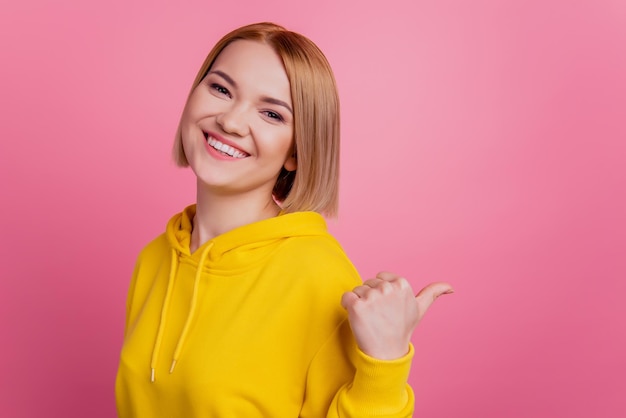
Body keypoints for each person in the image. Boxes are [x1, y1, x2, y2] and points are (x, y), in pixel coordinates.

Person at [115, 22, 453, 417]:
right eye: (221, 89)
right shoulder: (155, 259)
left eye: (272, 114)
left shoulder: (319, 277)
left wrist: (386, 362)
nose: (232, 121)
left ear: (296, 152)